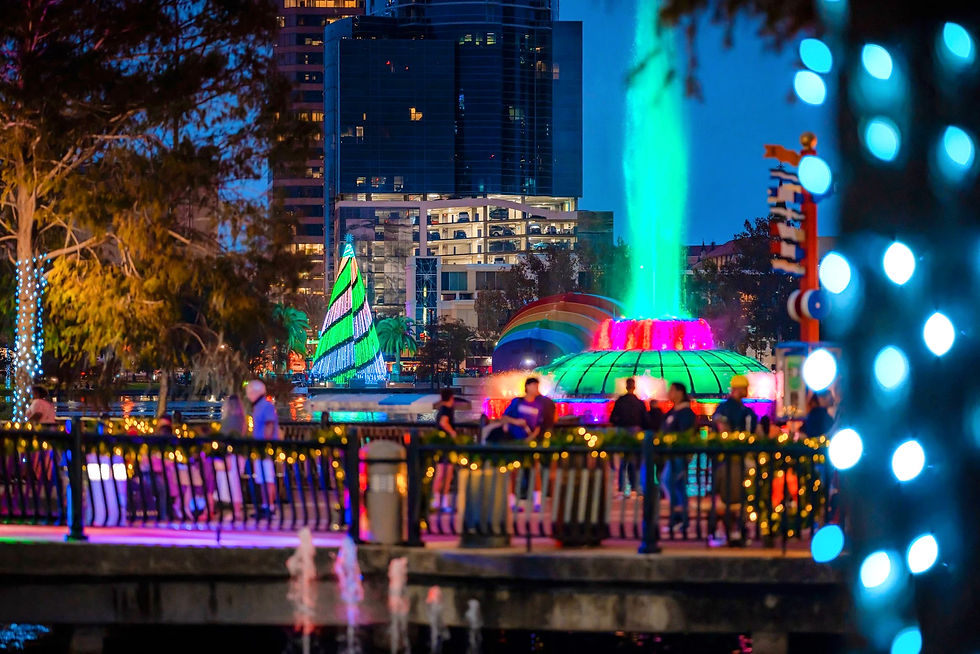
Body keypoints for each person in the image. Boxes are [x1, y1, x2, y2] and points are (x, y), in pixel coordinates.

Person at [662, 382, 696, 532]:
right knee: (674, 483)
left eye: (672, 390)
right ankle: (678, 519)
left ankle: (680, 519)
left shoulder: (685, 413)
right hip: (672, 454)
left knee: (674, 483)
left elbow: (685, 434)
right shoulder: (674, 411)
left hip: (679, 454)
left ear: (680, 393)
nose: (669, 393)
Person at [246, 379, 279, 518]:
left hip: (265, 448)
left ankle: (269, 506)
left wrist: (265, 443)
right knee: (261, 477)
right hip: (259, 448)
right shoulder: (258, 406)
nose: (248, 395)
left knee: (267, 476)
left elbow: (269, 424)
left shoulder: (265, 405)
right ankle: (265, 505)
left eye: (249, 392)